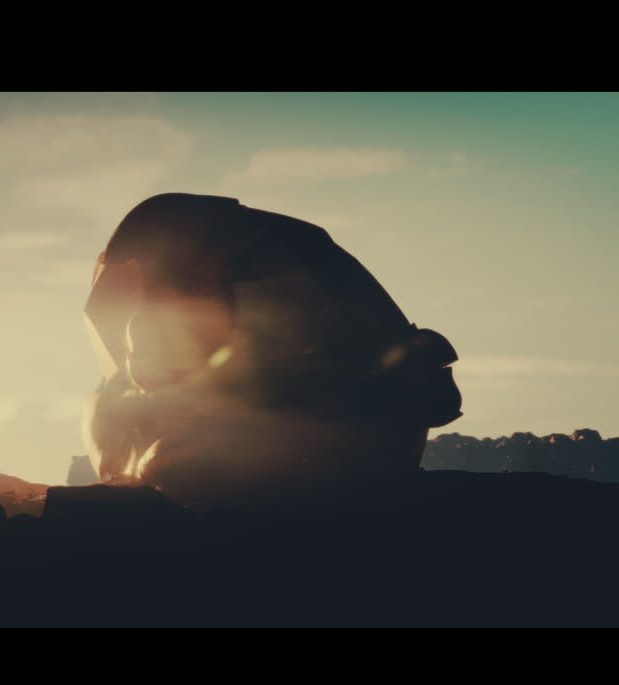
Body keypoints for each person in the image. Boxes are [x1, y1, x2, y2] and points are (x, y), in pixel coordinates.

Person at [82, 193, 462, 505]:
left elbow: (297, 378)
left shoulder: (276, 272)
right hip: (356, 439)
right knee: (173, 458)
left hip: (344, 446)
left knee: (175, 463)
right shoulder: (284, 254)